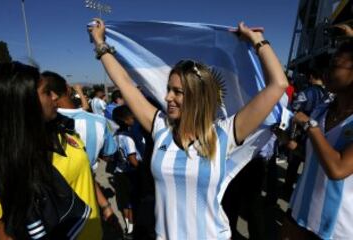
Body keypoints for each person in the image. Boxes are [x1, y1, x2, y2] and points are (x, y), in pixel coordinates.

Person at [89, 18, 288, 240]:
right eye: (168, 89)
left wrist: (257, 40)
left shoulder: (225, 132)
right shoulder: (160, 127)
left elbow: (278, 84)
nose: (167, 97)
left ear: (196, 95)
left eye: (177, 92)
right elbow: (125, 83)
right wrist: (100, 43)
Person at [0, 62, 102, 239]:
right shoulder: (1, 163)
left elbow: (86, 174)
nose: (54, 97)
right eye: (46, 92)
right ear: (23, 101)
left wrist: (105, 206)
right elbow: (2, 230)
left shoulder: (64, 130)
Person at [281, 40, 353, 239]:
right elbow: (312, 157)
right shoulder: (323, 109)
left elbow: (337, 169)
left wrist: (310, 127)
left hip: (335, 229)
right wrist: (290, 143)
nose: (326, 71)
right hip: (299, 213)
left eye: (334, 65)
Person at [42, 71, 121, 226]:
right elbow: (109, 154)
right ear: (68, 89)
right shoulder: (99, 122)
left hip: (61, 209)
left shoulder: (53, 125)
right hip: (89, 203)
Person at [109, 105, 141, 236]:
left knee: (124, 203)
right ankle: (133, 230)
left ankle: (129, 228)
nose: (134, 118)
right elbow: (132, 159)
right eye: (131, 116)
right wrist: (143, 169)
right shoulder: (128, 138)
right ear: (126, 119)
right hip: (129, 174)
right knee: (131, 204)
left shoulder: (116, 135)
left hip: (118, 172)